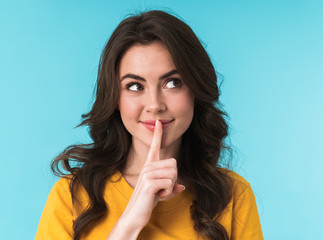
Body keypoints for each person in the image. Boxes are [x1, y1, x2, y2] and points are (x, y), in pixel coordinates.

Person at [35, 10, 263, 240]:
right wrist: (130, 221)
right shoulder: (71, 196)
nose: (155, 105)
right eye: (135, 86)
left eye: (173, 83)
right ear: (115, 98)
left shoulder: (233, 195)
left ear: (195, 90)